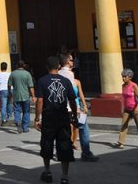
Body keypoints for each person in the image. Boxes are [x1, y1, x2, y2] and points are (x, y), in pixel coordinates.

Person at [35, 55, 78, 184]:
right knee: (65, 145)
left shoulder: (42, 81)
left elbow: (40, 101)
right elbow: (72, 100)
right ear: (58, 66)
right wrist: (74, 115)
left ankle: (47, 171)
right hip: (63, 116)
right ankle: (65, 176)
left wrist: (38, 118)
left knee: (47, 143)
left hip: (49, 117)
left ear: (46, 67)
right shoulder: (65, 81)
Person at [116, 68, 138, 149]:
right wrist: (122, 108)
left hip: (136, 108)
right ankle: (120, 142)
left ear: (130, 77)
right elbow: (123, 98)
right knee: (124, 125)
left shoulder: (134, 85)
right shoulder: (123, 86)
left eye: (125, 77)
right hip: (127, 109)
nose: (123, 78)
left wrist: (137, 108)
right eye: (122, 76)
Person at [73, 77, 98, 162]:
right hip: (67, 109)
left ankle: (86, 153)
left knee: (84, 129)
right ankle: (61, 152)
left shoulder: (77, 82)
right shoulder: (62, 80)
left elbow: (81, 94)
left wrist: (84, 105)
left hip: (77, 109)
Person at [8, 60, 36, 133]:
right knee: (26, 111)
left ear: (17, 65)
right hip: (26, 95)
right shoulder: (27, 74)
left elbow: (9, 85)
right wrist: (33, 96)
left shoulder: (13, 74)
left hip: (16, 95)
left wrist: (9, 92)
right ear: (24, 65)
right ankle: (25, 128)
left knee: (17, 110)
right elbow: (31, 86)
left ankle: (17, 121)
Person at [0, 62, 12, 126]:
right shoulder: (10, 74)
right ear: (6, 68)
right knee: (9, 103)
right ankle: (9, 116)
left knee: (3, 105)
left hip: (2, 90)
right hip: (10, 89)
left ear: (0, 67)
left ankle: (4, 119)